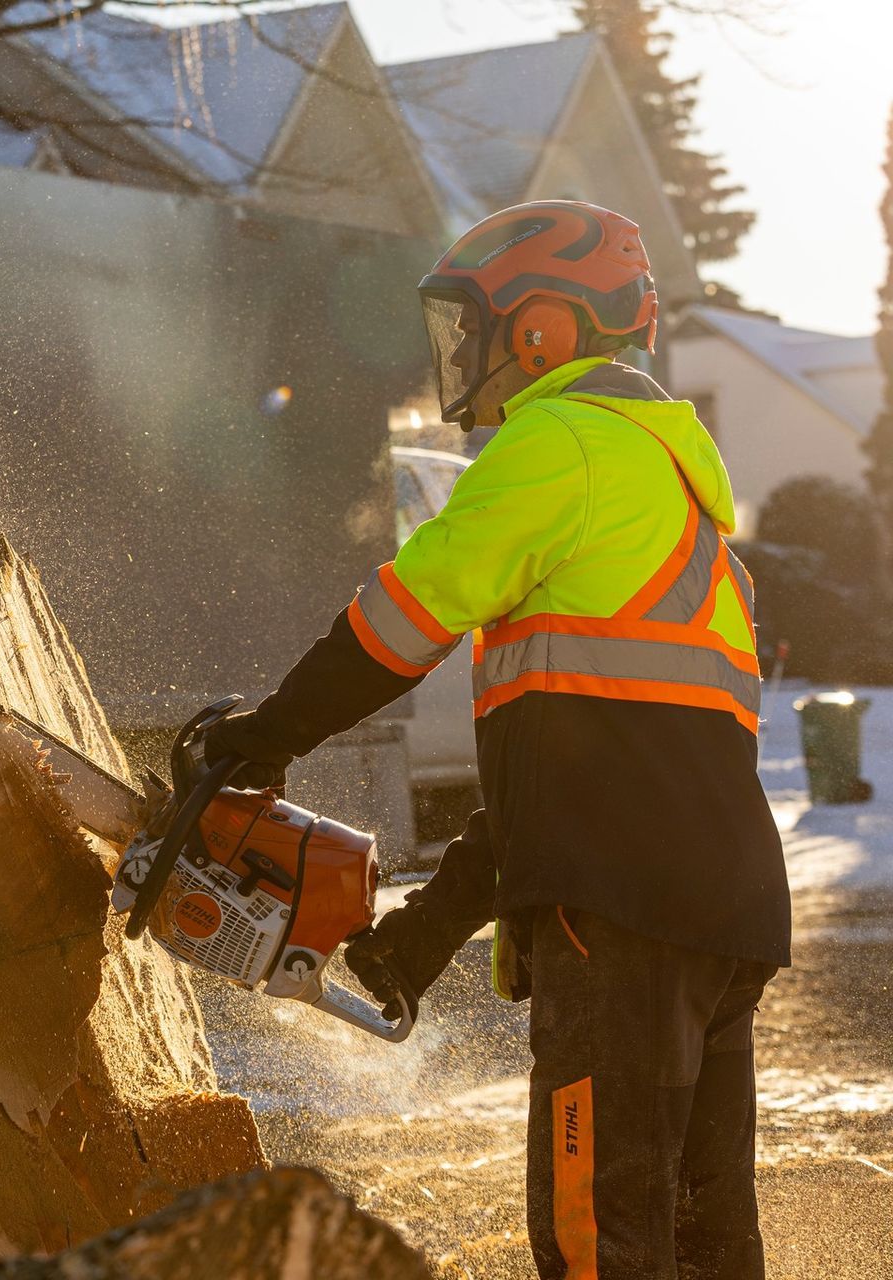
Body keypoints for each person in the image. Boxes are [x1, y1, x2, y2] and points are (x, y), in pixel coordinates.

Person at [202, 200, 789, 1280]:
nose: (459, 358)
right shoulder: (686, 514)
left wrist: (269, 734)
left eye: (469, 329)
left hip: (619, 921)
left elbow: (404, 617)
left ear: (542, 331)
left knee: (596, 1245)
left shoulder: (558, 443)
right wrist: (423, 933)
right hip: (723, 917)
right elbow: (583, 784)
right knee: (707, 1245)